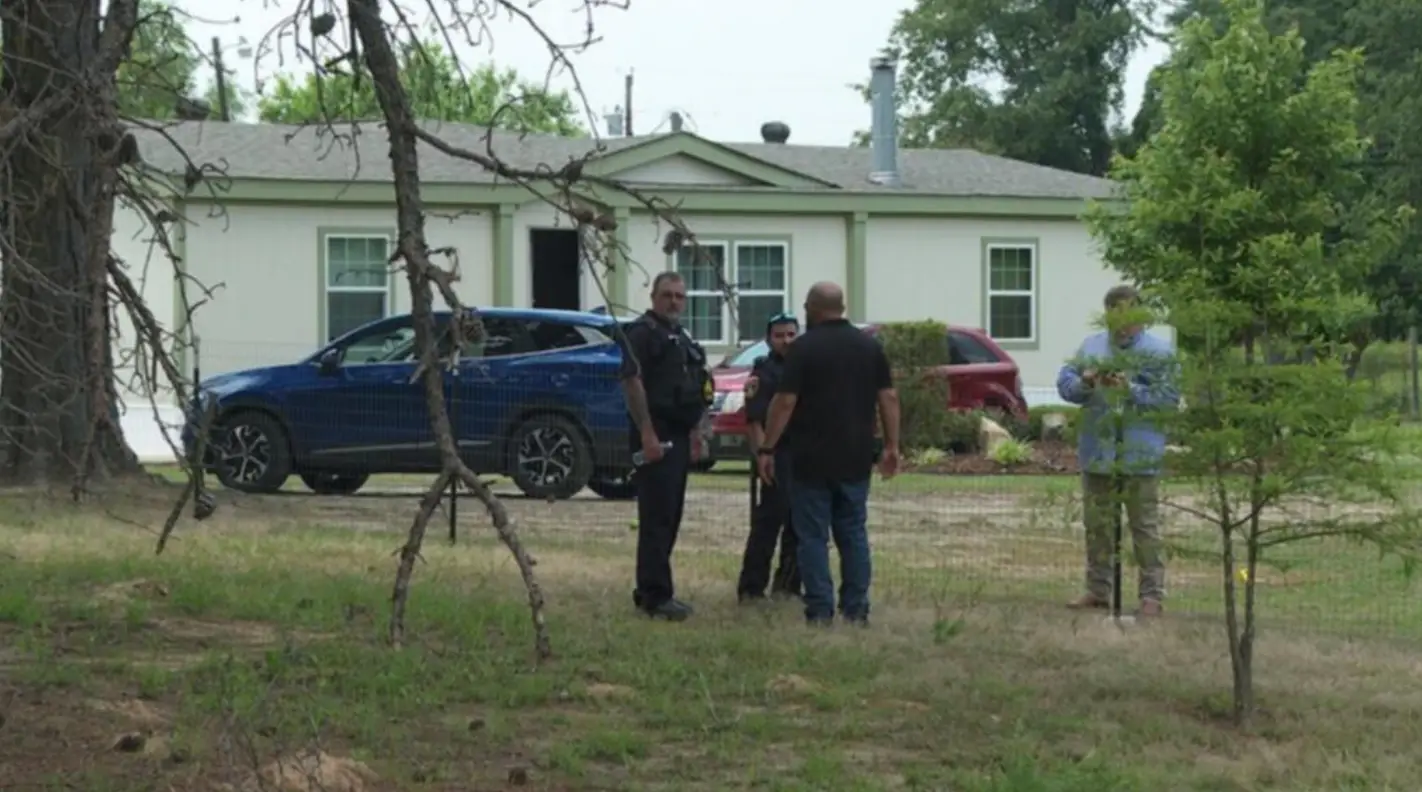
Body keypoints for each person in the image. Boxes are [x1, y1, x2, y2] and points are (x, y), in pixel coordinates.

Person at [756, 282, 900, 626]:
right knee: (853, 533)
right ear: (842, 307)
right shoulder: (868, 347)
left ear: (813, 308)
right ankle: (856, 608)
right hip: (855, 456)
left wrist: (767, 446)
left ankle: (820, 610)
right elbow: (889, 398)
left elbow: (785, 401)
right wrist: (893, 446)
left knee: (813, 537)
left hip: (810, 458)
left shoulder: (803, 350)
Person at [1056, 285, 1179, 618]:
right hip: (1099, 452)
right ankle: (1098, 591)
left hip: (1139, 455)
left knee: (1144, 528)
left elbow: (1169, 398)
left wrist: (1132, 389)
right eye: (1116, 312)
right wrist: (1086, 382)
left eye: (1130, 312)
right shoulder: (1091, 347)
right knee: (1098, 526)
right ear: (1107, 313)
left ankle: (1151, 596)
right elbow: (1065, 385)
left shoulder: (1160, 352)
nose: (1124, 321)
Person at [617, 272, 714, 621]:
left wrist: (697, 433)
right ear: (654, 297)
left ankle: (651, 589)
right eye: (667, 295)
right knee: (656, 518)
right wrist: (646, 433)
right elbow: (632, 382)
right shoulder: (642, 333)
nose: (674, 301)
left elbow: (693, 385)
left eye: (679, 296)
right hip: (654, 434)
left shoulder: (679, 336)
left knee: (669, 516)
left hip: (678, 432)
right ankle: (656, 596)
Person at [736, 313, 803, 603]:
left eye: (791, 334)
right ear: (768, 340)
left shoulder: (805, 368)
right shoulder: (764, 373)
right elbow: (753, 422)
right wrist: (764, 456)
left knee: (799, 524)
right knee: (768, 523)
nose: (786, 341)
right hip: (777, 455)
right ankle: (752, 587)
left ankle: (788, 586)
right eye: (780, 335)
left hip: (805, 455)